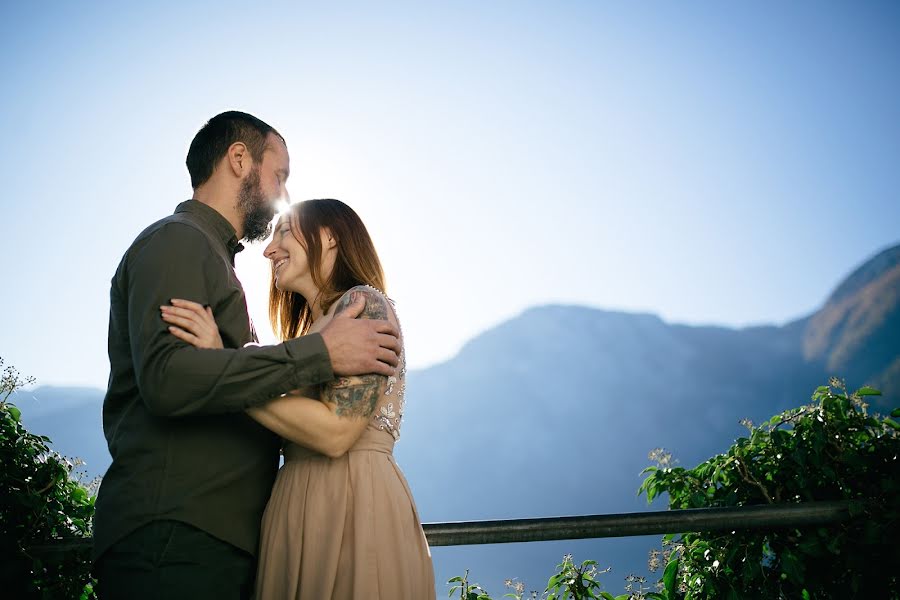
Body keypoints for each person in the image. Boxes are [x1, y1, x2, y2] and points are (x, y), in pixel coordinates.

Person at [93, 112, 402, 600]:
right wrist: (317, 353)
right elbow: (170, 380)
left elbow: (249, 390)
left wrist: (237, 355)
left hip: (218, 539)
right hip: (178, 533)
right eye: (279, 175)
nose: (282, 192)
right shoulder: (178, 241)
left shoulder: (214, 260)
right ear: (239, 159)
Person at [160, 198, 436, 599]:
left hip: (354, 504)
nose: (269, 249)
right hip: (294, 506)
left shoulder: (363, 306)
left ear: (329, 238)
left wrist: (225, 367)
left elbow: (336, 434)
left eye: (284, 232)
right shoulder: (310, 336)